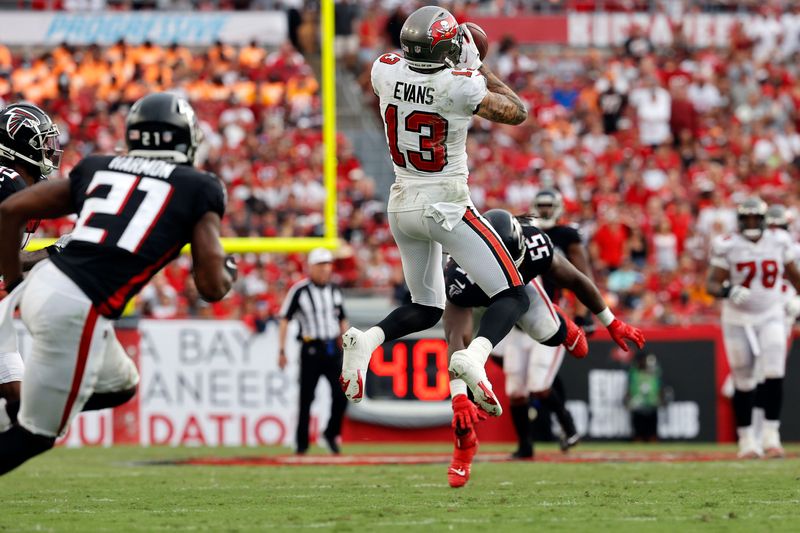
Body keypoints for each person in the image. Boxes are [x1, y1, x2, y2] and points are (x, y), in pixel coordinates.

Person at [0, 92, 236, 475]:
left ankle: (31, 403)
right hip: (78, 304)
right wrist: (230, 268)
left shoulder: (99, 165)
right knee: (36, 434)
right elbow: (211, 286)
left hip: (46, 288)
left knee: (120, 383)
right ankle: (34, 408)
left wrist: (13, 285)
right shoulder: (199, 186)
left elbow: (10, 211)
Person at [341, 6, 532, 422]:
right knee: (514, 294)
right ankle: (475, 357)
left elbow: (408, 67)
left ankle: (368, 340)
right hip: (445, 203)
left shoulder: (384, 70)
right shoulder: (458, 85)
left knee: (427, 306)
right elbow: (517, 111)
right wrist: (477, 64)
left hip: (401, 202)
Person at [443, 209, 645, 487]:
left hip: (524, 292)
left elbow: (574, 279)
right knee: (477, 384)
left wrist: (611, 322)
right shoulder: (459, 272)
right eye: (503, 264)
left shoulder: (534, 245)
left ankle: (560, 326)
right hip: (484, 300)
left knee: (546, 331)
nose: (510, 268)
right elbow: (456, 337)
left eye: (514, 260)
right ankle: (465, 449)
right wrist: (457, 397)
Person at [493, 189, 596, 460]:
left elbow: (581, 277)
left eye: (551, 207)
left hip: (548, 317)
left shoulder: (566, 236)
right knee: (515, 391)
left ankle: (567, 424)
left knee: (539, 385)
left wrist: (585, 314)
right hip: (516, 323)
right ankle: (525, 446)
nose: (547, 212)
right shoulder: (518, 233)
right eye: (542, 207)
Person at [706, 197, 800, 459]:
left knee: (774, 370)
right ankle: (747, 439)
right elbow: (711, 285)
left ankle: (772, 435)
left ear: (763, 220)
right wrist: (728, 289)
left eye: (754, 218)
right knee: (743, 378)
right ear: (739, 221)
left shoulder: (779, 241)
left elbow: (795, 276)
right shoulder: (728, 244)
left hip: (772, 314)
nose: (750, 223)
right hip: (737, 318)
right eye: (745, 218)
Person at [0, 102, 70, 407]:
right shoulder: (9, 182)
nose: (50, 150)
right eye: (42, 142)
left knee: (20, 400)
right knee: (23, 403)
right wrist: (54, 252)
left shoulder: (14, 184)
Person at [278, 248, 348, 455]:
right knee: (306, 397)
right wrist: (281, 350)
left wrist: (347, 343)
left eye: (328, 264)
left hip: (332, 348)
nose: (326, 268)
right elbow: (284, 319)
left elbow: (342, 318)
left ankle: (330, 432)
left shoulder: (335, 290)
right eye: (321, 264)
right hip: (310, 349)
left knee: (343, 393)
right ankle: (301, 445)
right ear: (311, 267)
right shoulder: (300, 290)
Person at [625, 350, 663, 442]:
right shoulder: (634, 372)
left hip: (651, 404)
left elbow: (659, 386)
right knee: (637, 433)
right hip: (638, 405)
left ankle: (653, 451)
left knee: (652, 433)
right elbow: (630, 387)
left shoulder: (655, 371)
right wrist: (628, 400)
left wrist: (660, 399)